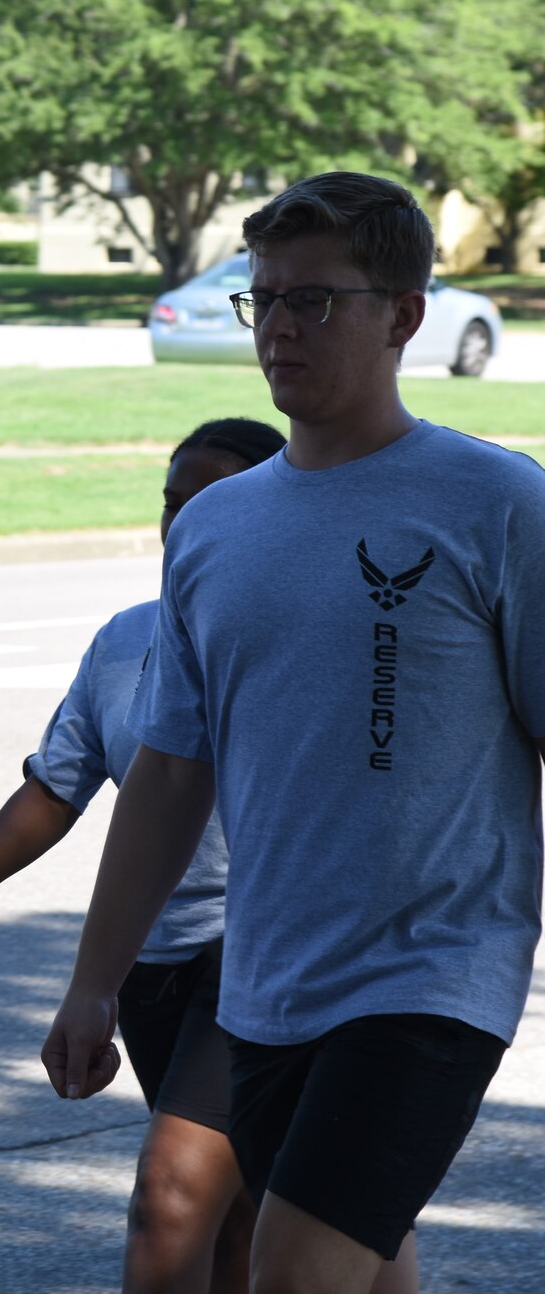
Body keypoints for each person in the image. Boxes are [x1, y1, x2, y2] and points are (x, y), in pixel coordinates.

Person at [40, 173, 545, 1293]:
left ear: (401, 314)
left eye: (311, 300)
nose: (274, 326)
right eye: (260, 299)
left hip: (429, 974)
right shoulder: (214, 526)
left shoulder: (495, 503)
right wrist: (92, 980)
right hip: (264, 987)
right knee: (367, 1266)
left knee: (291, 1272)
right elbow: (168, 775)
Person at [0, 416, 286, 1292]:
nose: (182, 525)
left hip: (260, 956)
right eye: (170, 502)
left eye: (211, 502)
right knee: (241, 1215)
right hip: (150, 962)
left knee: (173, 1194)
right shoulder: (125, 639)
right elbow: (56, 786)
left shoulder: (295, 637)